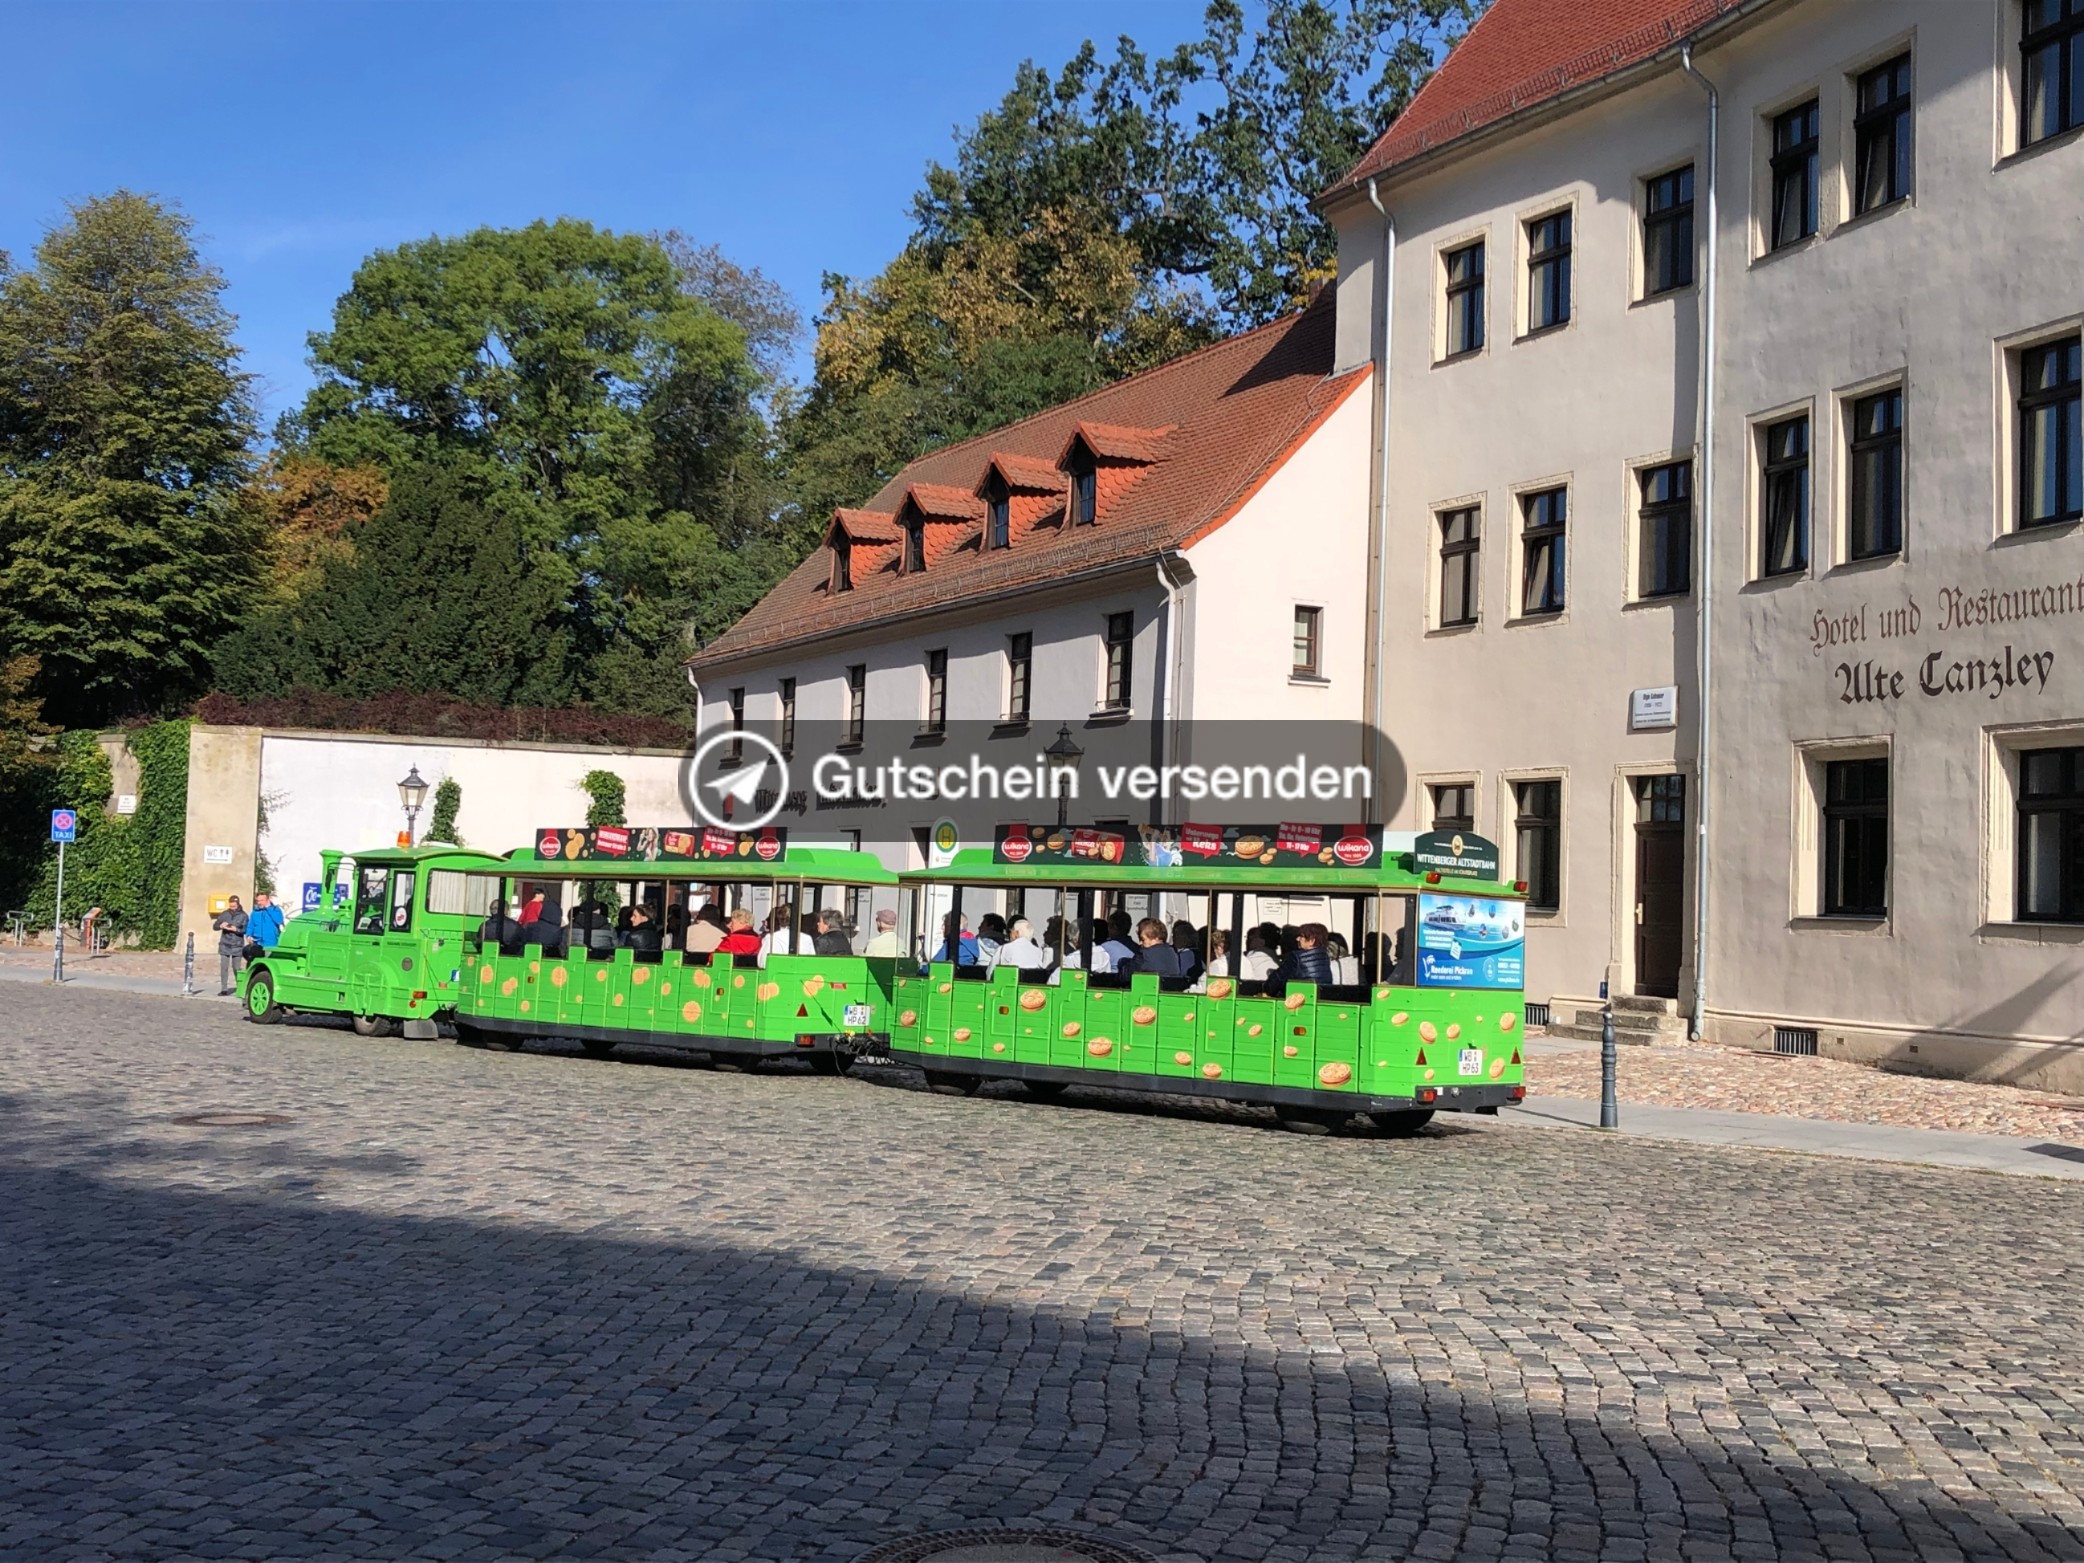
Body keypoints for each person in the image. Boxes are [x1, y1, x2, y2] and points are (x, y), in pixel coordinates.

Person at [212, 896, 248, 995]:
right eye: (231, 906)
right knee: (224, 967)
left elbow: (246, 930)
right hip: (225, 944)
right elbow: (214, 926)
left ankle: (240, 987)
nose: (232, 908)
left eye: (234, 906)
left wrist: (236, 930)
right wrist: (220, 926)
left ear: (238, 904)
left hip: (237, 945)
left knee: (236, 968)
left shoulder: (243, 916)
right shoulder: (224, 914)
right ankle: (224, 989)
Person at [1281, 921, 1335, 988]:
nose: (1297, 939)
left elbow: (1276, 981)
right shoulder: (1325, 957)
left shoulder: (1296, 957)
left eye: (1301, 936)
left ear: (1312, 941)